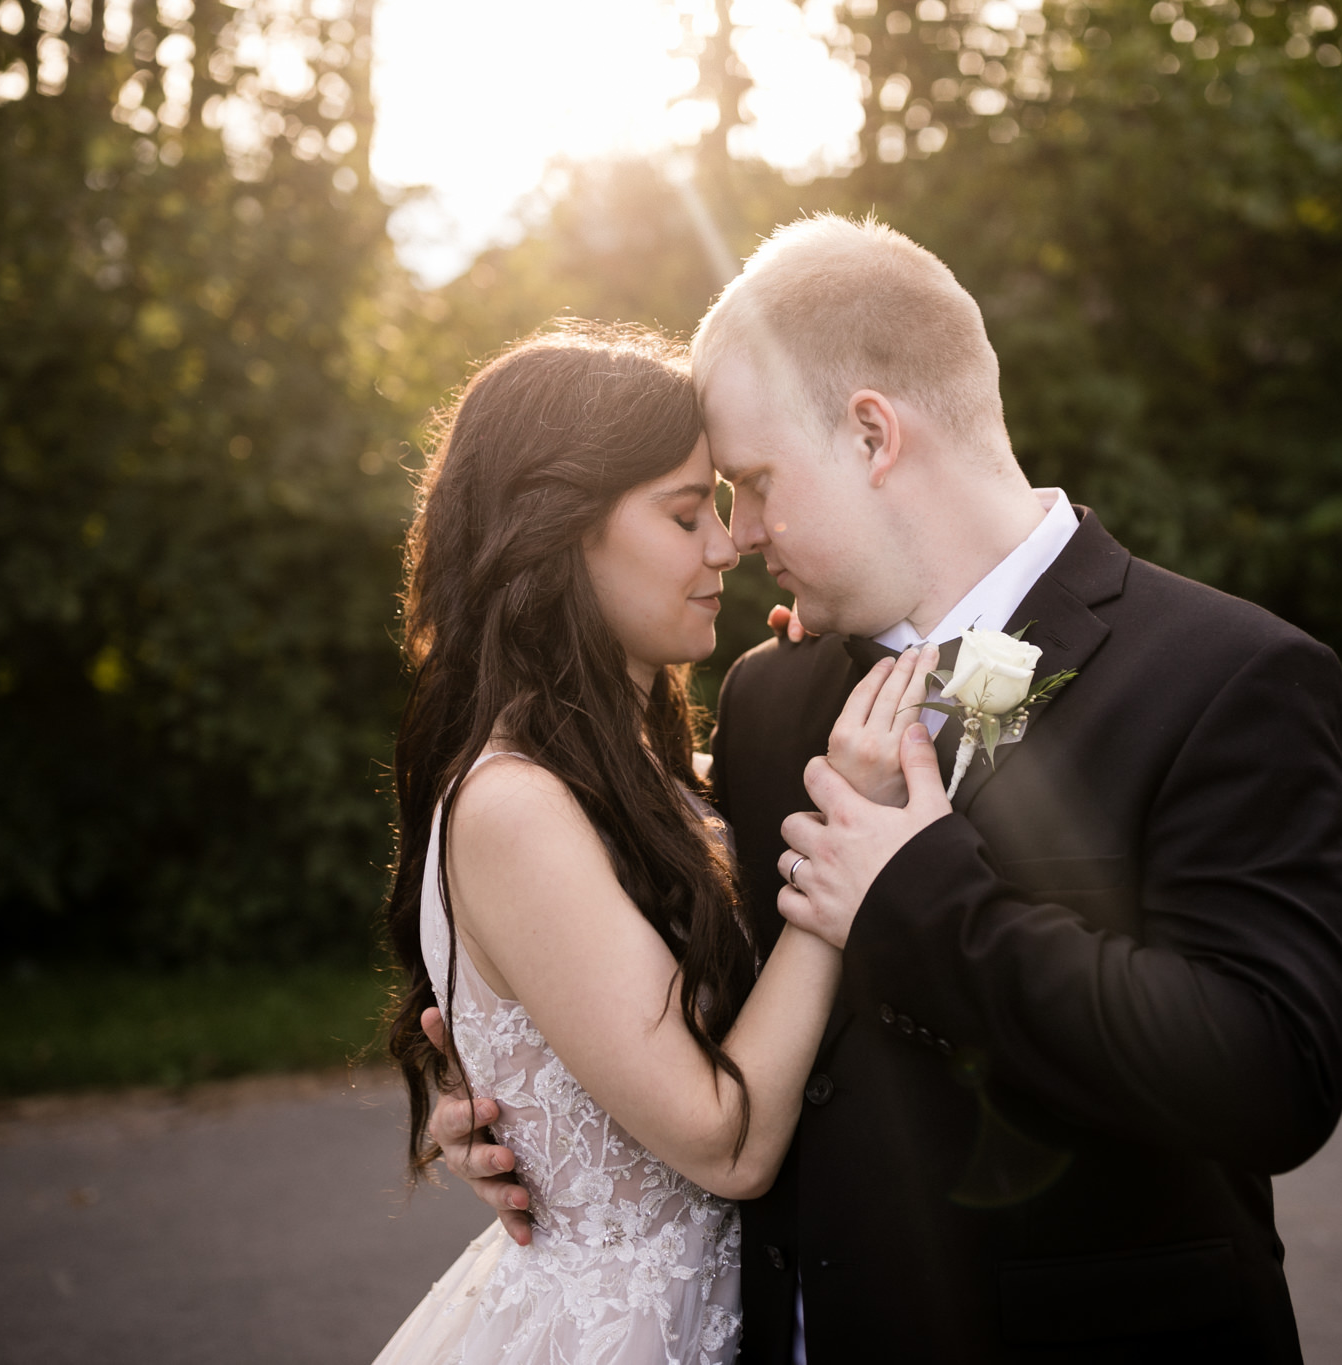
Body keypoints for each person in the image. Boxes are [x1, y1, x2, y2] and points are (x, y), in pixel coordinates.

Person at [431, 217, 1342, 1363]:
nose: (744, 536)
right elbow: (686, 982)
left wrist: (924, 898)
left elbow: (1273, 1080)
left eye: (758, 485)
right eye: (715, 501)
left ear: (872, 433)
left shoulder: (1223, 679)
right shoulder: (774, 696)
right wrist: (520, 1105)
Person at [370, 323, 934, 1365]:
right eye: (686, 515)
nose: (726, 544)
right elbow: (723, 1143)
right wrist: (838, 853)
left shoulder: (645, 770)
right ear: (559, 531)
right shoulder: (516, 805)